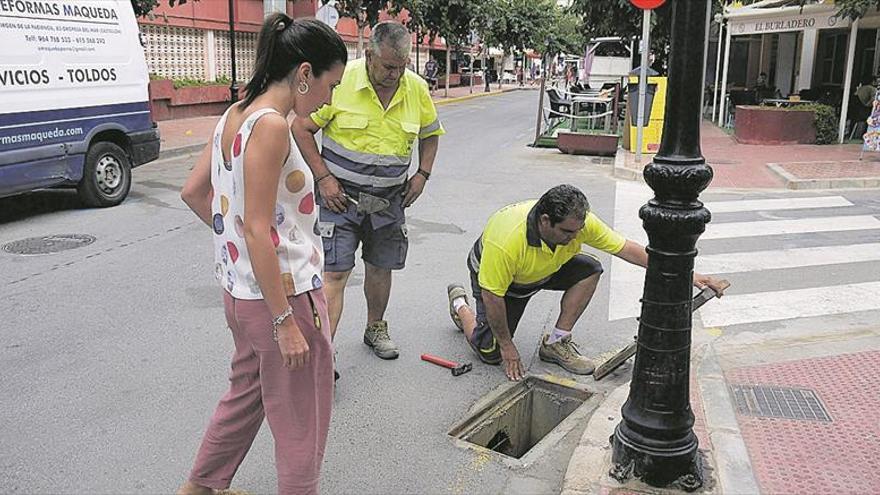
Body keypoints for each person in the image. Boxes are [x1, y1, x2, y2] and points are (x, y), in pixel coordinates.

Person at [177, 14, 347, 495]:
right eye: (329, 84)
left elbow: (195, 194)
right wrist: (284, 320)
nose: (329, 98)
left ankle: (198, 487)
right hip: (284, 299)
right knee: (300, 426)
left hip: (241, 297)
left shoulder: (235, 114)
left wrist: (240, 256)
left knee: (243, 400)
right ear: (304, 73)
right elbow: (257, 228)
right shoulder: (272, 126)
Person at [446, 185, 728, 382]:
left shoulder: (577, 225)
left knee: (589, 268)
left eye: (579, 230)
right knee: (491, 352)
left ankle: (556, 342)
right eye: (568, 232)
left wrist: (688, 275)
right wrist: (508, 346)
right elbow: (493, 296)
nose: (576, 236)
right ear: (545, 221)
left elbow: (628, 250)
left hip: (544, 268)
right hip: (503, 284)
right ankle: (461, 307)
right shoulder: (507, 240)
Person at [292, 21, 444, 370]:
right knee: (334, 274)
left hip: (389, 200)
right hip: (339, 198)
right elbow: (301, 128)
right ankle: (323, 355)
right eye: (389, 66)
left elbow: (431, 133)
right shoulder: (341, 82)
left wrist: (422, 174)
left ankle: (375, 327)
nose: (395, 74)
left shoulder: (416, 88)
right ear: (369, 54)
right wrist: (324, 178)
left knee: (380, 267)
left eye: (402, 66)